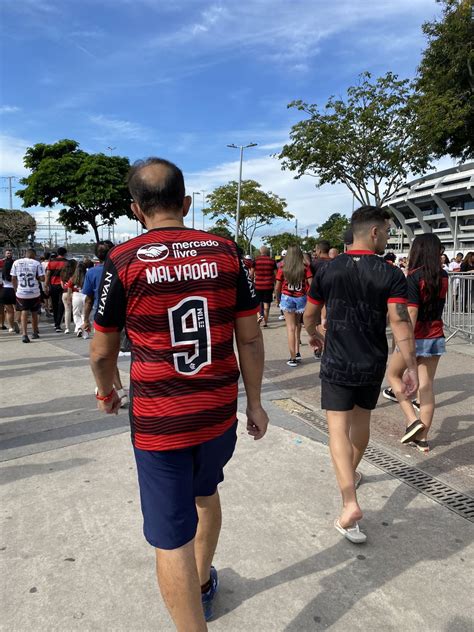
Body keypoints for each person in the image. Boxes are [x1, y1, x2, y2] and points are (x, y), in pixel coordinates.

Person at [90, 157, 268, 631]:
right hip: (216, 415)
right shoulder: (228, 253)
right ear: (186, 203)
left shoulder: (123, 261)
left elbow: (102, 352)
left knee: (171, 538)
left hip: (159, 421)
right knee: (205, 493)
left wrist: (107, 392)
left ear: (135, 209)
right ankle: (203, 583)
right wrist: (254, 402)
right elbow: (250, 337)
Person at [304, 205, 418, 543]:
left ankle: (349, 501)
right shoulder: (391, 274)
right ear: (373, 233)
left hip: (337, 361)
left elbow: (310, 315)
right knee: (361, 426)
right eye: (385, 231)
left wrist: (315, 334)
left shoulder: (327, 269)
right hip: (371, 362)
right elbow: (400, 321)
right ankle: (351, 473)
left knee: (337, 430)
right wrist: (411, 366)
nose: (387, 237)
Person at [385, 234, 448, 453]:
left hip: (414, 337)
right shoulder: (444, 276)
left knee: (393, 376)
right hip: (435, 336)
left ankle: (413, 420)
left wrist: (402, 342)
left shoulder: (413, 277)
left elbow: (410, 313)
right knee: (426, 386)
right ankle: (423, 438)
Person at [82, 241, 128, 407]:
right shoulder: (123, 267)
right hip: (126, 318)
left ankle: (119, 391)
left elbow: (88, 299)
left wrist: (85, 319)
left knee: (108, 356)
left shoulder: (92, 272)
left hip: (103, 319)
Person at [275, 245, 312, 367]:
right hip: (301, 297)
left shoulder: (283, 268)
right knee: (298, 326)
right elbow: (311, 284)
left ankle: (292, 357)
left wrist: (277, 298)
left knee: (290, 327)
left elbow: (277, 286)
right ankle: (297, 352)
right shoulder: (305, 268)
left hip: (287, 297)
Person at [10, 248, 45, 343]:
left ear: (25, 254)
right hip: (34, 292)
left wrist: (16, 289)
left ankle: (24, 334)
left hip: (21, 292)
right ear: (33, 255)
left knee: (24, 312)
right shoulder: (37, 263)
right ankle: (34, 332)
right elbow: (42, 278)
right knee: (34, 312)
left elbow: (13, 278)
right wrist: (37, 277)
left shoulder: (16, 263)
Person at [45, 246, 68, 331]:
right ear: (65, 254)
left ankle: (56, 323)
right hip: (63, 286)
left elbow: (47, 274)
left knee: (54, 305)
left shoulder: (51, 262)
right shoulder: (67, 263)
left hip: (53, 285)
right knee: (61, 304)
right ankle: (58, 324)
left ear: (58, 253)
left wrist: (46, 285)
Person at [253, 246, 277, 328]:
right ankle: (265, 322)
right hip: (268, 286)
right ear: (267, 252)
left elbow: (251, 274)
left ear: (260, 251)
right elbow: (275, 274)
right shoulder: (272, 261)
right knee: (266, 305)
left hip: (258, 286)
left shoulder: (255, 260)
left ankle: (259, 316)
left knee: (257, 303)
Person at [0, 249, 20, 333]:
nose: (9, 254)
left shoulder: (3, 269)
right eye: (8, 253)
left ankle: (11, 327)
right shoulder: (16, 264)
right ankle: (16, 321)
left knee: (9, 311)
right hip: (16, 290)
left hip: (5, 289)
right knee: (19, 309)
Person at [66, 262, 87, 336]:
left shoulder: (72, 278)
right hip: (85, 295)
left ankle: (78, 327)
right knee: (84, 314)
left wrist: (68, 299)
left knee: (76, 314)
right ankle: (84, 330)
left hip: (76, 295)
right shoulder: (87, 277)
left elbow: (69, 290)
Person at [60, 259, 77, 334]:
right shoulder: (75, 273)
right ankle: (77, 327)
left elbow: (62, 285)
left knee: (67, 311)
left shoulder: (63, 273)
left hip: (65, 293)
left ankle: (67, 328)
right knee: (76, 311)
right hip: (74, 293)